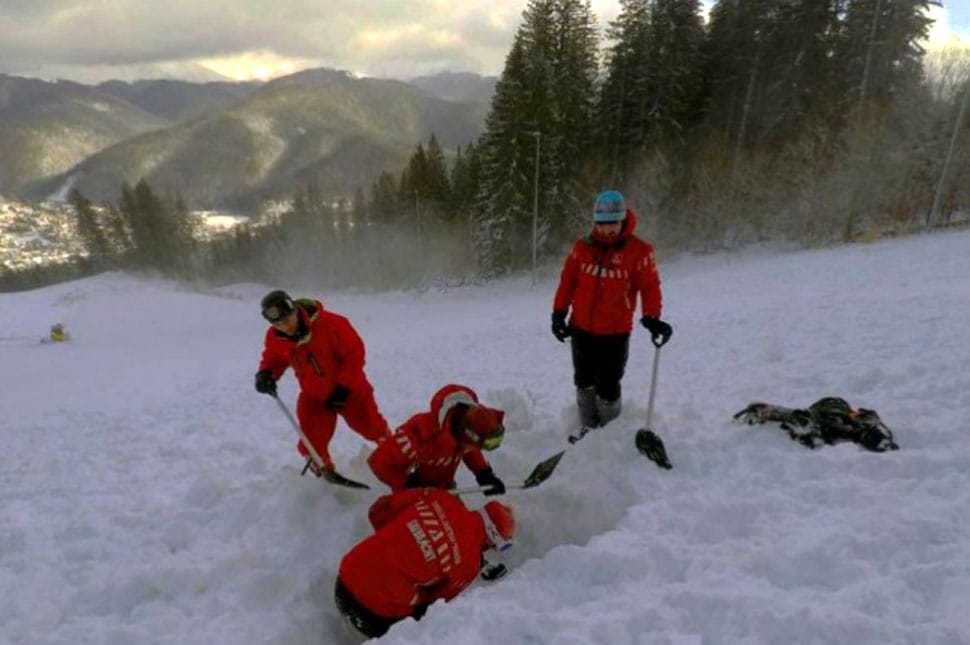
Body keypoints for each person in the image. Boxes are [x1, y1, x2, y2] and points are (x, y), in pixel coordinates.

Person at [551, 190, 673, 430]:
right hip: (581, 328)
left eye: (612, 224)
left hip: (615, 332)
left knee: (608, 384)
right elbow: (568, 281)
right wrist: (558, 314)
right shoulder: (582, 248)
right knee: (583, 380)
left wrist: (651, 317)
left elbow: (650, 287)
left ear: (622, 221)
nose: (607, 230)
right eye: (601, 224)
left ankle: (610, 432)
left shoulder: (639, 252)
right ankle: (587, 426)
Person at [334, 487, 516, 639]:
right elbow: (434, 606)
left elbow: (380, 510)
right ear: (492, 539)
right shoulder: (469, 565)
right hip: (373, 616)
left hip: (344, 580)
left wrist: (401, 541)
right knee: (421, 622)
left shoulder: (440, 497)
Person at [254, 289, 391, 474]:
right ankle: (324, 472)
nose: (284, 327)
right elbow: (274, 356)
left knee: (371, 427)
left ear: (295, 310)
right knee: (310, 443)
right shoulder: (276, 337)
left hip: (350, 391)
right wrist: (266, 373)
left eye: (286, 321)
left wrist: (343, 388)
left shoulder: (332, 324)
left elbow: (354, 356)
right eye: (277, 324)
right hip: (314, 397)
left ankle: (396, 453)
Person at [367, 384, 507, 495]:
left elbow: (468, 449)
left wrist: (484, 474)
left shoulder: (461, 434)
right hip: (411, 497)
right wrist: (409, 484)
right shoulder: (419, 436)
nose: (480, 449)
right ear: (468, 435)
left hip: (444, 491)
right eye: (486, 444)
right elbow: (378, 463)